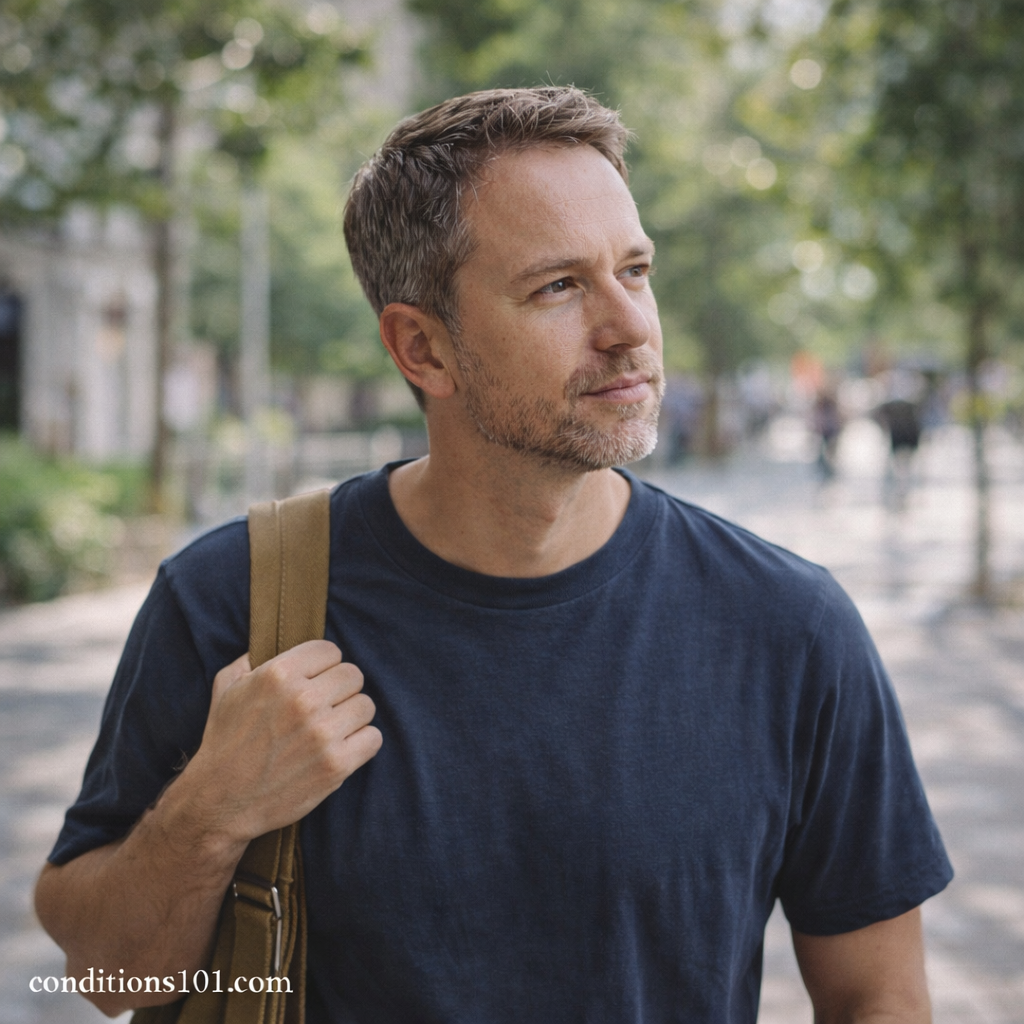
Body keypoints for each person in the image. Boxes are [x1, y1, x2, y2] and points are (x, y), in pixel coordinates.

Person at [36, 87, 952, 1022]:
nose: (629, 326)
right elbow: (113, 980)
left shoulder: (787, 627)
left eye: (634, 271)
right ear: (422, 348)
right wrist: (214, 807)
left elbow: (879, 998)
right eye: (558, 286)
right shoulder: (236, 601)